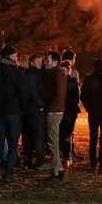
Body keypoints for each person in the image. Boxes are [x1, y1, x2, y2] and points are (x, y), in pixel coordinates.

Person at [0, 46, 24, 183]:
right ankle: (9, 173)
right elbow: (21, 92)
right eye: (15, 54)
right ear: (10, 56)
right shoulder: (15, 72)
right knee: (13, 142)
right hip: (13, 110)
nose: (17, 57)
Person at [81, 58, 102, 173]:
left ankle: (93, 164)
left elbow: (83, 96)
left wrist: (88, 108)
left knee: (93, 138)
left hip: (94, 112)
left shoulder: (89, 79)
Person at [44, 50, 67, 181]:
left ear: (55, 61)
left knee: (53, 141)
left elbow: (57, 92)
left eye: (48, 60)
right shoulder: (57, 73)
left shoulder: (56, 73)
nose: (46, 62)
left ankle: (56, 172)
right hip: (56, 109)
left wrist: (49, 106)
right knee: (53, 140)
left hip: (54, 110)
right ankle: (58, 168)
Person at [20, 54, 46, 169]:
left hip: (27, 109)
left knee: (28, 135)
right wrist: (41, 104)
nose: (40, 63)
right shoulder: (34, 74)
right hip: (35, 109)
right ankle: (39, 160)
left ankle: (28, 159)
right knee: (37, 134)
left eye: (41, 61)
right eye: (37, 61)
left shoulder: (26, 74)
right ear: (32, 63)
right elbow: (34, 91)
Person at [61, 49, 84, 164]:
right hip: (70, 107)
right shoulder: (73, 73)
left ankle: (66, 153)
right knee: (69, 131)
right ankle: (69, 154)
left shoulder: (58, 70)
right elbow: (77, 90)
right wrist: (77, 102)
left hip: (61, 106)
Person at [59, 59, 80, 168]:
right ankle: (62, 155)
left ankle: (67, 156)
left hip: (69, 112)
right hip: (60, 110)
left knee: (67, 134)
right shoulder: (57, 81)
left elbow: (76, 98)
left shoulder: (72, 82)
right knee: (60, 134)